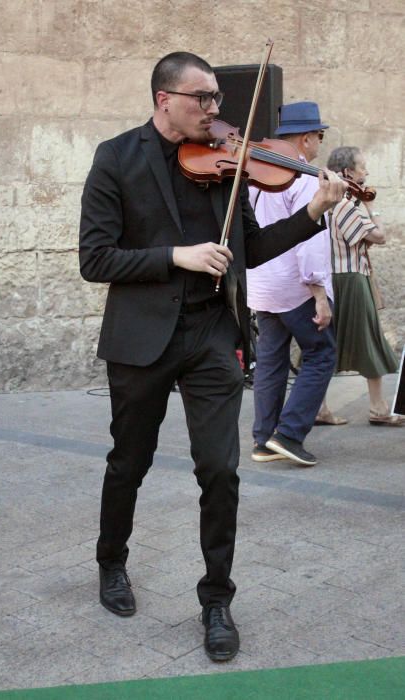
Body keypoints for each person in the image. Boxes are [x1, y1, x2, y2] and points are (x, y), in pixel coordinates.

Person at [79, 53, 347, 663]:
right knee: (129, 460)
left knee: (220, 470)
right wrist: (178, 256)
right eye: (203, 99)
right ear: (163, 99)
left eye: (218, 101)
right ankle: (111, 562)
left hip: (209, 333)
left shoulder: (225, 167)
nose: (215, 112)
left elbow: (251, 248)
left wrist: (312, 212)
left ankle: (217, 600)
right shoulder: (115, 158)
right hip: (142, 339)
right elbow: (94, 259)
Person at [247, 102, 343, 468]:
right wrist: (320, 294)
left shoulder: (258, 177)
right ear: (305, 138)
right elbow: (310, 240)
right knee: (321, 355)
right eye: (319, 135)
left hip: (263, 286)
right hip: (295, 287)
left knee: (271, 362)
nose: (320, 142)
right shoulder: (305, 179)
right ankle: (288, 434)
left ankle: (262, 439)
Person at [327, 146, 404, 426]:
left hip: (339, 277)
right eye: (362, 167)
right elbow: (380, 236)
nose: (367, 172)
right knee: (369, 338)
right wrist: (373, 208)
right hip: (350, 278)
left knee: (327, 345)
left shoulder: (331, 201)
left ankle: (320, 407)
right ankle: (378, 407)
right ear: (348, 172)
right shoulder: (345, 205)